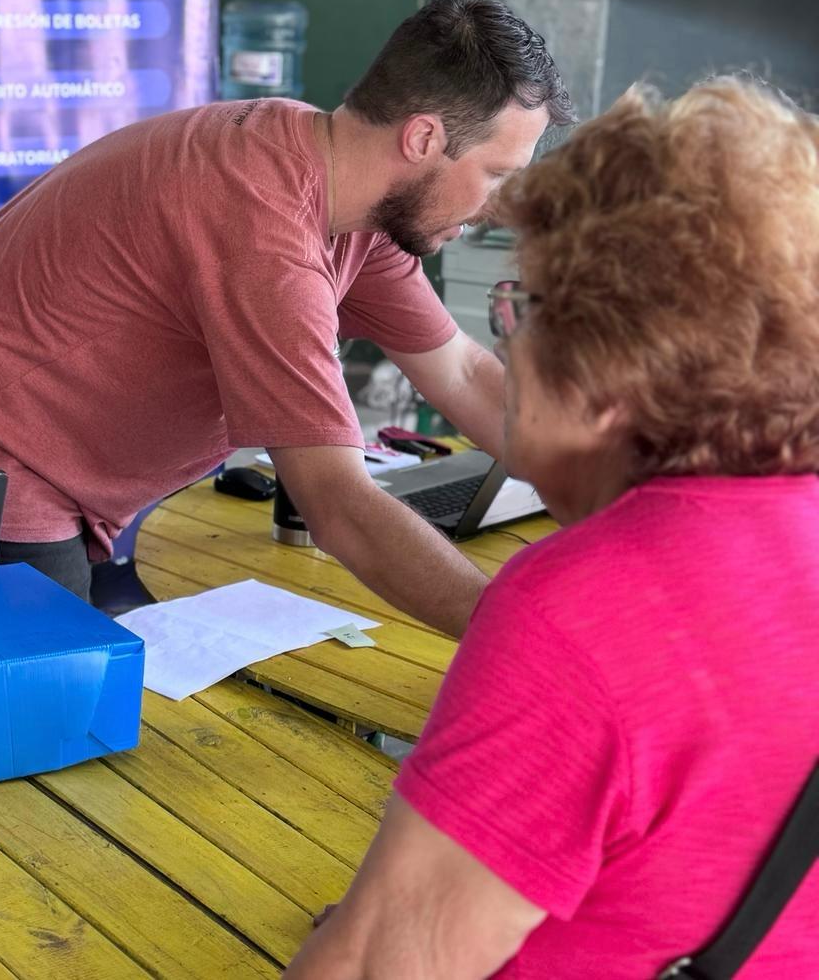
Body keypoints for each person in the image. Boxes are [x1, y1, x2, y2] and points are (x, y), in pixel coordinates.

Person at [284, 77, 819, 978]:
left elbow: (381, 967)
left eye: (524, 310)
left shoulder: (583, 611)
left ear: (608, 375)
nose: (508, 343)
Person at [0, 0, 573, 629]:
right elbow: (337, 508)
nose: (492, 208)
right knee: (35, 735)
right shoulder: (266, 229)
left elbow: (463, 374)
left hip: (27, 439)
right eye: (495, 174)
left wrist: (616, 499)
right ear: (421, 139)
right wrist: (523, 639)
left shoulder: (341, 184)